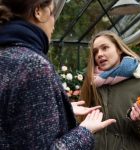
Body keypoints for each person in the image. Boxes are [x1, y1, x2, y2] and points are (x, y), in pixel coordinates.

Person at [0, 0, 116, 149]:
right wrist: (85, 131)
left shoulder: (7, 56)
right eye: (53, 13)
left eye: (105, 48)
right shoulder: (32, 65)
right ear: (38, 12)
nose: (54, 24)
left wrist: (59, 110)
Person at [80, 30, 140, 150]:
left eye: (105, 48)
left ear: (119, 49)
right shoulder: (93, 84)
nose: (99, 54)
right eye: (95, 52)